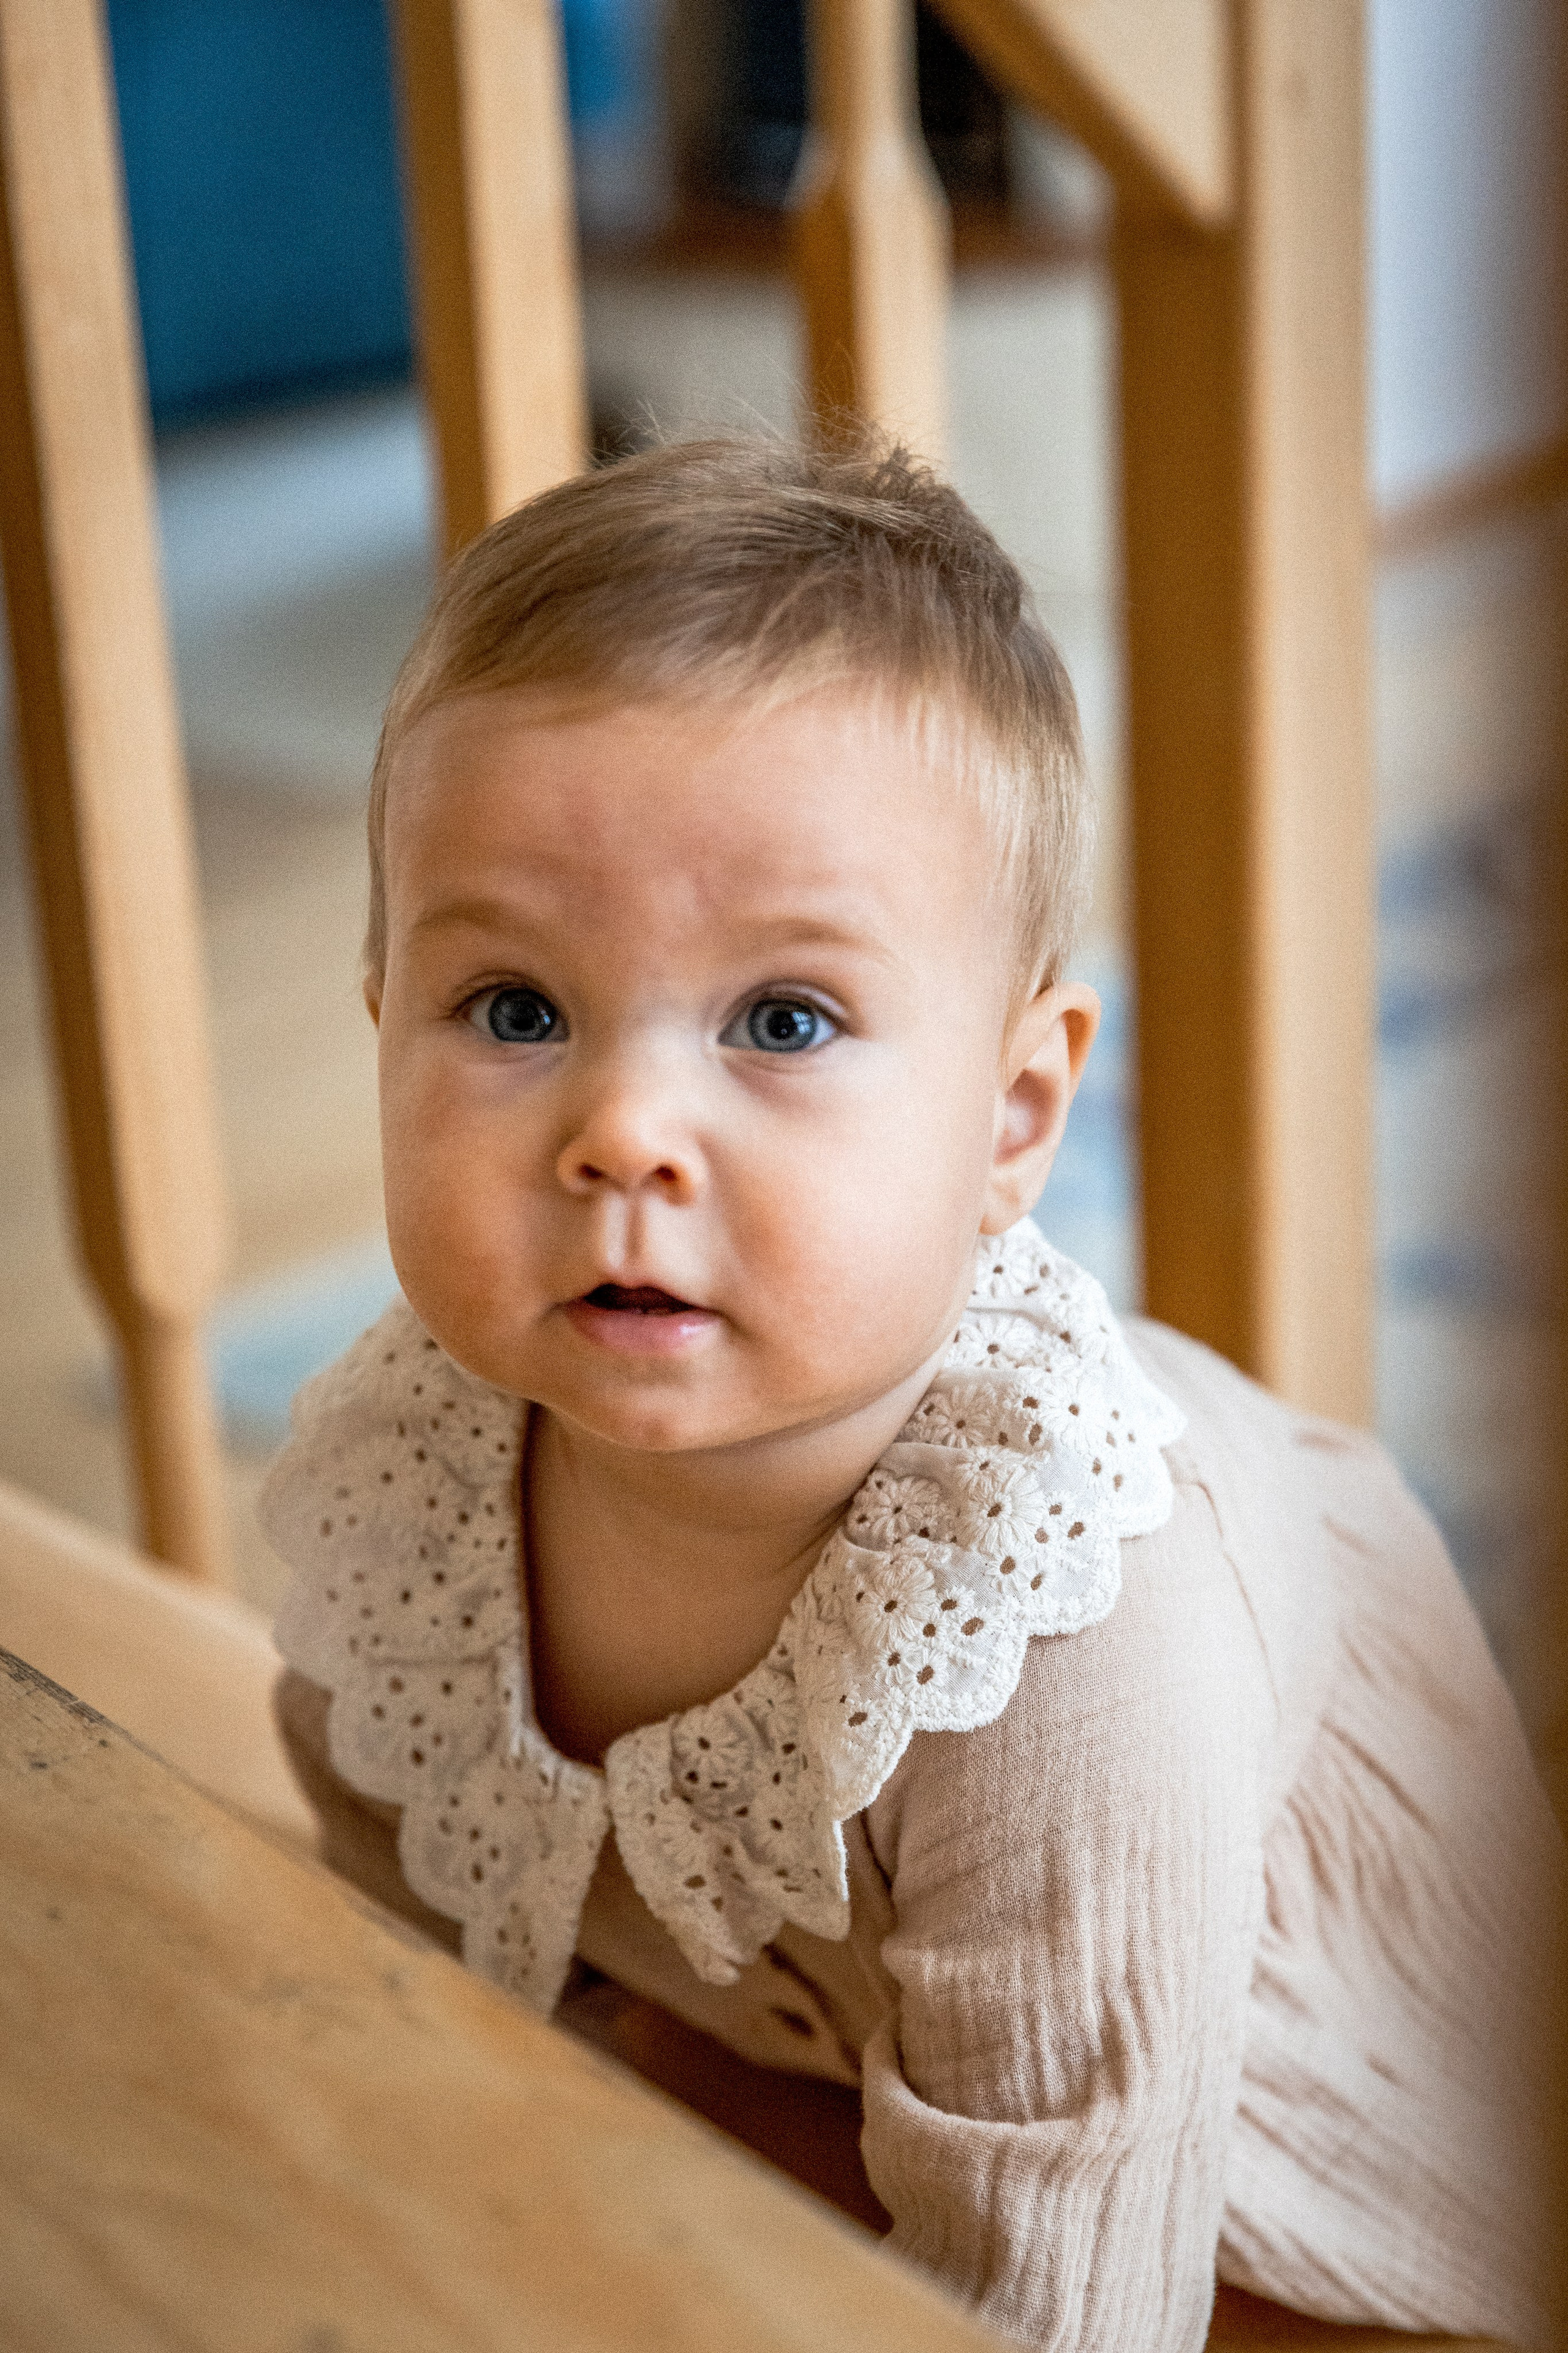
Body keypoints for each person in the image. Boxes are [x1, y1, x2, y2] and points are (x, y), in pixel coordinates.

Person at [260, 433, 1563, 2352]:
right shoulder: (417, 1464)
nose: (624, 1131)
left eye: (782, 1021)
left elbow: (1069, 2293)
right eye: (516, 1008)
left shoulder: (1074, 1641)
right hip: (822, 2069)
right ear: (384, 1014)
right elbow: (383, 1856)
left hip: (1257, 2202)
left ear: (1012, 1120)